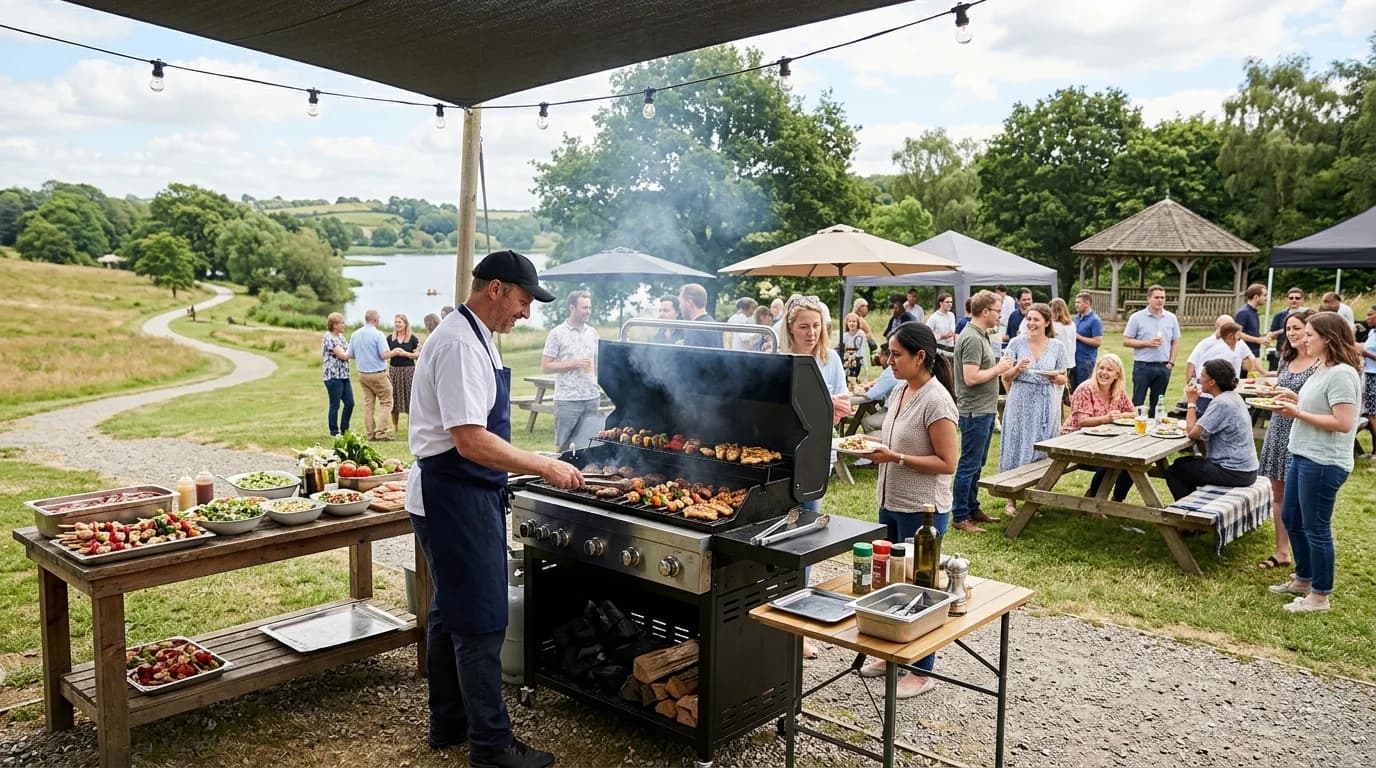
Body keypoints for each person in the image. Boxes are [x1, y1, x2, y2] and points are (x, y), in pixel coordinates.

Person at [406, 250, 580, 767]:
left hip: (460, 492)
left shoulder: (474, 335)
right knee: (481, 620)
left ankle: (449, 723)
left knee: (448, 613)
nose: (525, 313)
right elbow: (469, 440)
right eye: (524, 301)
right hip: (454, 495)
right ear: (497, 289)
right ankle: (491, 747)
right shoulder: (460, 343)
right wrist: (543, 465)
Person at [859, 322, 958, 698]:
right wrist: (862, 443)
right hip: (891, 502)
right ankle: (891, 653)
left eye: (896, 354)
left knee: (921, 587)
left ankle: (922, 669)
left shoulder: (937, 401)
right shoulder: (900, 389)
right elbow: (891, 438)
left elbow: (948, 462)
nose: (889, 360)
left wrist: (896, 457)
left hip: (923, 510)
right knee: (888, 583)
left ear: (920, 357)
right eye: (888, 352)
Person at [1268, 312, 1362, 612]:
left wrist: (1297, 414)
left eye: (1309, 335)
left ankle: (1320, 595)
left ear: (1328, 339)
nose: (1303, 339)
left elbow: (1343, 422)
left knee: (1316, 527)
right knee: (1292, 518)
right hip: (1303, 454)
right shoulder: (1322, 367)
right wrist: (1293, 398)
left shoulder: (1343, 374)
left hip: (1323, 462)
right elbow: (1317, 404)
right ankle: (1304, 578)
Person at [778, 293, 852, 659]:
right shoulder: (779, 357)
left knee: (805, 539)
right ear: (790, 327)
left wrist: (837, 407)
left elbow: (842, 404)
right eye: (804, 326)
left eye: (816, 326)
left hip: (815, 460)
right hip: (780, 457)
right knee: (776, 538)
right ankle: (773, 612)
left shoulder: (830, 359)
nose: (810, 332)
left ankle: (798, 628)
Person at [1256, 309, 1318, 571]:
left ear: (1310, 330)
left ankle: (1307, 555)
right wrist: (1272, 392)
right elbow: (1283, 390)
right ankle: (1282, 551)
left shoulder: (1320, 363)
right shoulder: (1286, 358)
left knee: (1302, 500)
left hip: (1303, 433)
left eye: (1297, 328)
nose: (1291, 333)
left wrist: (1293, 399)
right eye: (1288, 329)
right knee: (1278, 495)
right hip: (1278, 430)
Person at [951, 290, 1015, 533]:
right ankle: (960, 515)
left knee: (978, 462)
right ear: (985, 311)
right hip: (974, 411)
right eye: (998, 311)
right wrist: (999, 369)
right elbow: (970, 377)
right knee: (969, 464)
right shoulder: (972, 338)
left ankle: (972, 507)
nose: (1000, 315)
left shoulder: (981, 335)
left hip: (984, 409)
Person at [997, 303, 1070, 515]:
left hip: (1046, 402)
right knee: (1017, 445)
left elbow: (1064, 377)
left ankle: (1033, 499)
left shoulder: (1057, 346)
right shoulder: (1016, 343)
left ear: (1047, 322)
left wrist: (1057, 378)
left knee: (1039, 449)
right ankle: (1010, 500)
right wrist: (1017, 369)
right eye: (1029, 319)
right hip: (1021, 400)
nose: (1031, 323)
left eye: (1036, 319)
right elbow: (1005, 377)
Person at [1166, 359, 1259, 500]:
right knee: (1182, 464)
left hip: (1234, 471)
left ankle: (1189, 513)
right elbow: (1203, 430)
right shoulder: (1233, 397)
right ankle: (1194, 506)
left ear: (1212, 382)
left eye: (1202, 376)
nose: (1199, 379)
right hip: (1246, 468)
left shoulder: (1222, 403)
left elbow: (1193, 433)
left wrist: (1191, 402)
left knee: (1175, 472)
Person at [1062, 353, 1136, 502]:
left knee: (1134, 460)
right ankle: (1094, 500)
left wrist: (1119, 416)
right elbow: (1082, 421)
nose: (1103, 372)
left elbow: (1134, 413)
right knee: (1112, 460)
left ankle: (1116, 501)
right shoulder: (1086, 389)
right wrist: (1107, 419)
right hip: (1074, 440)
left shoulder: (1117, 391)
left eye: (1109, 369)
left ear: (1117, 375)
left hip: (1103, 440)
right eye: (1101, 368)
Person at [542, 290, 604, 453]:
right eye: (584, 308)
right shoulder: (557, 334)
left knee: (589, 444)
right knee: (563, 446)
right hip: (567, 399)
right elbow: (546, 366)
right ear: (572, 308)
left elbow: (597, 364)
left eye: (589, 308)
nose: (588, 311)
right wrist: (572, 363)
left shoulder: (593, 333)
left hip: (592, 397)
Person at [1123, 284, 1181, 418]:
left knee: (1157, 404)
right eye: (1157, 297)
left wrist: (1171, 363)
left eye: (1163, 298)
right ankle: (1135, 430)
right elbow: (1126, 341)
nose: (1160, 300)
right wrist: (1147, 343)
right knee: (1138, 402)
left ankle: (1154, 430)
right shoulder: (1137, 318)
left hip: (1163, 366)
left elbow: (1176, 340)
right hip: (1143, 366)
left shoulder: (1171, 318)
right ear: (1148, 299)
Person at [1184, 317, 1257, 417]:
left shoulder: (1238, 343)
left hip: (1224, 394)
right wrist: (1190, 383)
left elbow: (1250, 363)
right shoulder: (1207, 343)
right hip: (1207, 395)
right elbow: (1191, 363)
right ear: (1217, 327)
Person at [350, 309, 397, 441]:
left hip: (363, 374)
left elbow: (351, 354)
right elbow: (384, 355)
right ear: (375, 320)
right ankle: (381, 432)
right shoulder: (378, 334)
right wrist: (395, 352)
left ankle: (370, 433)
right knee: (386, 402)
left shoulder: (355, 334)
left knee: (368, 404)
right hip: (378, 374)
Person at [387, 313, 422, 436]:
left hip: (408, 370)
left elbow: (417, 355)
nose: (397, 324)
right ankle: (394, 426)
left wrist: (404, 354)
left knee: (409, 398)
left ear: (405, 324)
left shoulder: (412, 338)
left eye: (400, 322)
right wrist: (393, 353)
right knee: (394, 398)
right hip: (394, 370)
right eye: (396, 322)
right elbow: (385, 354)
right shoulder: (390, 338)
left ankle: (410, 426)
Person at [321, 312, 354, 437]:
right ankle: (334, 432)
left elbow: (348, 351)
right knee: (335, 404)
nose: (344, 325)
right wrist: (354, 353)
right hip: (333, 376)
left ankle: (345, 430)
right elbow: (343, 355)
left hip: (344, 375)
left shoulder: (341, 337)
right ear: (334, 325)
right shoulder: (328, 337)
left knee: (350, 403)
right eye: (342, 323)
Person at [1267, 287, 1306, 370]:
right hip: (1283, 351)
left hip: (1303, 351)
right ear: (1287, 300)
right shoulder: (1279, 315)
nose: (1294, 300)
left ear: (1302, 300)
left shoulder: (1307, 315)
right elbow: (1271, 335)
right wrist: (1283, 330)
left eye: (1297, 298)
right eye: (1291, 298)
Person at [1071, 291, 1103, 390]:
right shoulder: (1076, 319)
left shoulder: (1095, 320)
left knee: (1085, 391)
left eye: (1079, 302)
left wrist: (1078, 337)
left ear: (1087, 303)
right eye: (1075, 302)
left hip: (1086, 362)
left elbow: (1097, 342)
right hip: (1073, 360)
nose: (1076, 305)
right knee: (1073, 391)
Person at [679, 283, 722, 348]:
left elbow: (691, 357)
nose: (680, 307)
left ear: (689, 302)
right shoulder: (713, 324)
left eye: (681, 303)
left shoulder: (694, 328)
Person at [1235, 284, 1271, 357]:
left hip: (1254, 353)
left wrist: (1262, 339)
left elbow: (1251, 332)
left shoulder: (1254, 312)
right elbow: (1237, 334)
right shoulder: (1243, 312)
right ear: (1256, 297)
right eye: (1264, 295)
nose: (1266, 298)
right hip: (1245, 355)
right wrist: (1257, 340)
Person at [1361, 305, 1376, 457]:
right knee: (1370, 414)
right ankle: (1372, 450)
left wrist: (1364, 352)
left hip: (1375, 375)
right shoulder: (1371, 332)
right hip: (1368, 374)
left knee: (1374, 415)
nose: (1367, 317)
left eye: (1370, 314)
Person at [840, 312, 869, 380]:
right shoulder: (845, 335)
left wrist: (860, 360)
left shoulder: (861, 334)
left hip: (857, 357)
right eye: (849, 321)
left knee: (854, 367)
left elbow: (861, 349)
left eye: (854, 321)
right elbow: (843, 349)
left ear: (857, 323)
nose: (851, 323)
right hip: (847, 357)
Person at [994, 284, 1015, 354]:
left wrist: (1000, 321)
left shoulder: (1010, 300)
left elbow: (1010, 314)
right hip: (997, 325)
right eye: (996, 292)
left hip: (1006, 325)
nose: (997, 294)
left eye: (999, 292)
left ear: (1004, 292)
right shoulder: (996, 300)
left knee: (1005, 339)